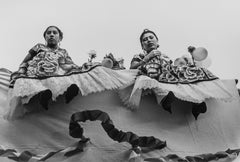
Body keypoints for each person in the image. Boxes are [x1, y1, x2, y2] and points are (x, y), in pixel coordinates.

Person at [6, 26, 138, 120]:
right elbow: (26, 60)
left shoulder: (63, 52)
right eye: (49, 33)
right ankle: (43, 97)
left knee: (69, 79)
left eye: (55, 33)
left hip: (54, 73)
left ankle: (65, 93)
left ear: (60, 38)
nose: (51, 34)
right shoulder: (39, 47)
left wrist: (83, 67)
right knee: (32, 85)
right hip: (35, 72)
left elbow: (67, 65)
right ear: (45, 37)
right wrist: (21, 70)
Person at [121, 29, 234, 120]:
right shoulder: (139, 56)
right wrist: (147, 58)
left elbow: (173, 67)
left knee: (189, 73)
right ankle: (165, 100)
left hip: (168, 74)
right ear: (142, 46)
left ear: (157, 42)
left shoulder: (165, 56)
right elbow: (132, 68)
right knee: (152, 73)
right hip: (153, 74)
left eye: (151, 37)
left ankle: (197, 101)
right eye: (145, 40)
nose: (149, 40)